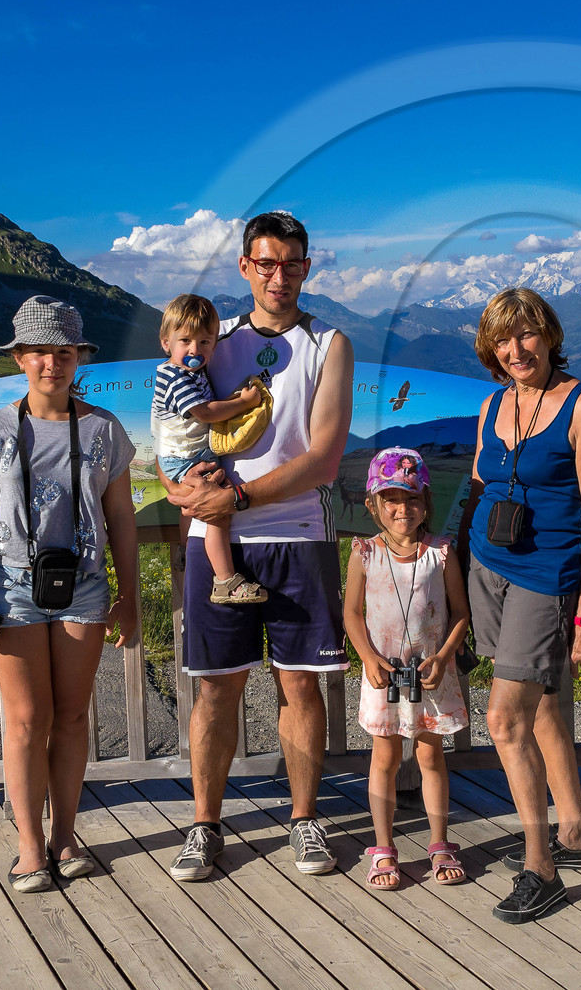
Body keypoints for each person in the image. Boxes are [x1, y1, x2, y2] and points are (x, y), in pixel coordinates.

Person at [161, 211, 354, 882]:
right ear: (244, 266)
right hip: (216, 539)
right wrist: (176, 485)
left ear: (307, 267)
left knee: (301, 684)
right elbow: (172, 423)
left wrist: (237, 498)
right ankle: (204, 825)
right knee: (216, 689)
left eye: (292, 264)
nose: (279, 276)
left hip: (297, 532)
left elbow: (325, 458)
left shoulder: (331, 343)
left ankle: (305, 820)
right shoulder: (216, 340)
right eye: (266, 263)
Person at [0, 295, 139, 893]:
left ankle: (65, 837)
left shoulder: (106, 431)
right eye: (38, 353)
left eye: (62, 352)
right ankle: (29, 846)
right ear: (19, 360)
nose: (50, 364)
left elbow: (121, 518)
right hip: (10, 588)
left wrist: (129, 596)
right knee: (28, 720)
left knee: (73, 716)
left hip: (84, 586)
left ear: (79, 357)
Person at [465, 288, 581, 923]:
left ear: (549, 336)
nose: (516, 349)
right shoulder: (494, 402)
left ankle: (539, 865)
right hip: (486, 565)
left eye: (527, 335)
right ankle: (575, 832)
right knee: (543, 702)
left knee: (504, 719)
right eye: (504, 339)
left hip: (546, 574)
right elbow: (478, 483)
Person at [342, 447, 471, 889]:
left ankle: (439, 843)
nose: (403, 508)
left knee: (431, 755)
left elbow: (459, 613)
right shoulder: (363, 553)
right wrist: (368, 657)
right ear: (374, 504)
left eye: (412, 498)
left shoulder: (441, 552)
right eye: (391, 499)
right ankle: (383, 848)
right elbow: (352, 614)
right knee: (385, 757)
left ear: (426, 501)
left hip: (432, 672)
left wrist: (443, 655)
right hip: (383, 674)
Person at [152, 292, 271, 605]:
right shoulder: (175, 376)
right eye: (186, 341)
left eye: (205, 342)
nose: (195, 350)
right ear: (166, 342)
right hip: (184, 458)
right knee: (218, 509)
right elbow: (204, 412)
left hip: (182, 455)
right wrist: (244, 403)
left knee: (191, 506)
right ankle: (225, 580)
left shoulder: (190, 372)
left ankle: (185, 550)